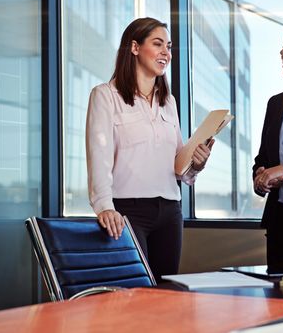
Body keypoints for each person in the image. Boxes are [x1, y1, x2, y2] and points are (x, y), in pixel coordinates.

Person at [85, 17, 214, 282]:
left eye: (168, 46)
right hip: (127, 212)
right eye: (158, 44)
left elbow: (179, 165)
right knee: (134, 291)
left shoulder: (169, 102)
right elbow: (98, 158)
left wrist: (197, 163)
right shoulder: (105, 96)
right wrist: (104, 207)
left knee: (166, 291)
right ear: (134, 47)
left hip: (170, 211)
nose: (166, 52)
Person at [253, 24, 283, 272]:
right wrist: (260, 176)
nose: (282, 49)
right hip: (279, 227)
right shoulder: (275, 104)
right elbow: (262, 159)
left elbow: (281, 169)